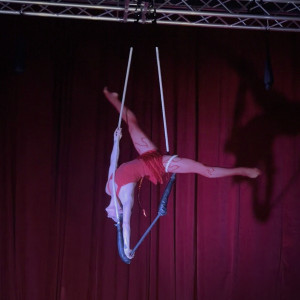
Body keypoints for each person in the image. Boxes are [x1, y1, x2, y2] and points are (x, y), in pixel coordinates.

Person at [103, 87, 261, 259]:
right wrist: (126, 247)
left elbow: (113, 162)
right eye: (116, 215)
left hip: (146, 154)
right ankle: (243, 171)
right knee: (204, 170)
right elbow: (126, 224)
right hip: (158, 164)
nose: (115, 213)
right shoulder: (126, 199)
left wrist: (115, 141)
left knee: (131, 120)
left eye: (113, 213)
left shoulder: (109, 188)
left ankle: (110, 97)